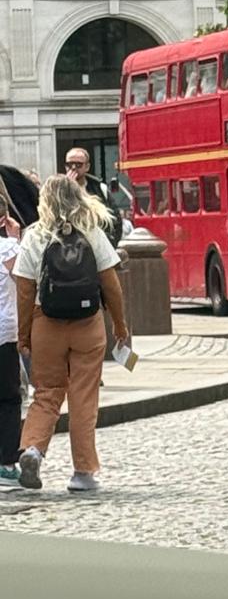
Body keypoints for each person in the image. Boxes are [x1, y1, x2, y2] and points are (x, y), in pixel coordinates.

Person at [13, 173, 130, 494]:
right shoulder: (92, 232)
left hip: (45, 322)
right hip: (88, 324)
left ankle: (33, 450)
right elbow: (111, 285)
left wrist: (24, 335)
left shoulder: (35, 236)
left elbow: (24, 291)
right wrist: (120, 325)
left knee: (47, 392)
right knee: (83, 397)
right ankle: (82, 473)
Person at [0, 191, 24, 491]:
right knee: (8, 397)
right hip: (3, 334)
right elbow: (25, 278)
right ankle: (6, 462)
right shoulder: (7, 249)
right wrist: (16, 237)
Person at [64, 147, 121, 243]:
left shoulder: (100, 188)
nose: (73, 168)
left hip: (98, 246)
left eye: (78, 165)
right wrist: (67, 189)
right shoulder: (58, 189)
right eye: (69, 164)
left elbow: (115, 220)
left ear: (87, 167)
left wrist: (110, 245)